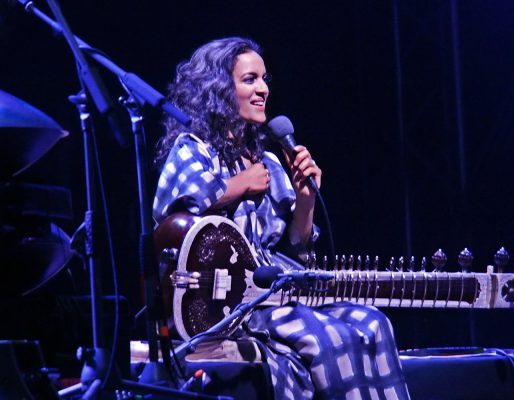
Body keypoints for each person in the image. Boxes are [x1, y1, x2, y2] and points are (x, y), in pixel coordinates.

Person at [153, 37, 410, 400]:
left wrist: (305, 201)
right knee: (330, 338)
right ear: (218, 90)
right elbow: (180, 212)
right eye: (249, 80)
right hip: (232, 305)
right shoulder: (194, 150)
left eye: (264, 79)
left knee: (373, 323)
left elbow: (294, 250)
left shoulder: (269, 163)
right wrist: (241, 183)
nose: (263, 90)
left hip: (279, 294)